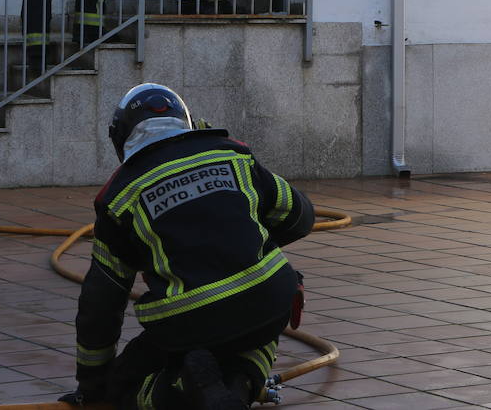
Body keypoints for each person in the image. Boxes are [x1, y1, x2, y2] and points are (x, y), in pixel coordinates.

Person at [70, 83, 314, 410]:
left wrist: (93, 384)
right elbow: (299, 216)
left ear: (121, 138)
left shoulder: (118, 198)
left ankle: (185, 390)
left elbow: (101, 302)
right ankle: (237, 388)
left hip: (187, 326)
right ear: (185, 121)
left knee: (122, 386)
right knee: (262, 315)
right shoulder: (232, 153)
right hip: (269, 303)